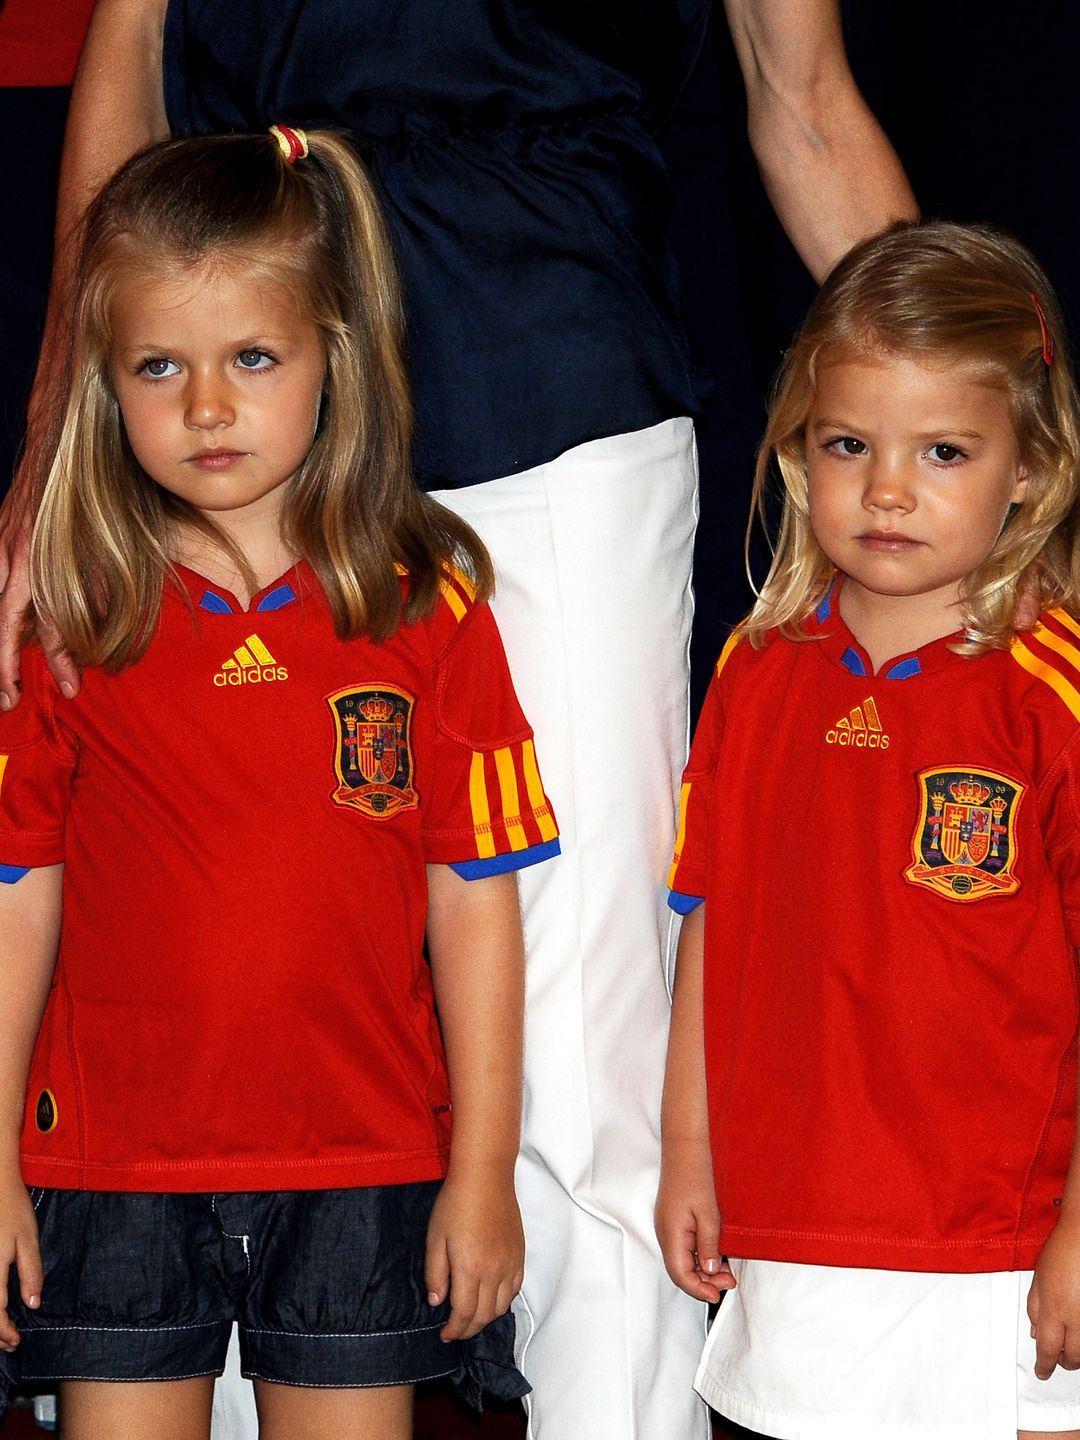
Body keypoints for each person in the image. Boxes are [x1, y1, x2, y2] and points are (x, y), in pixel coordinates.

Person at [0, 5, 916, 1436]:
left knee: (585, 1034)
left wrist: (979, 438)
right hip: (227, 372)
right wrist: (58, 446)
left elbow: (801, 100)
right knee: (209, 975)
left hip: (552, 375)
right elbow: (127, 65)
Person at [0, 126, 561, 1440]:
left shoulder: (429, 606)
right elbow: (21, 896)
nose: (207, 406)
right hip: (111, 1167)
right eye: (159, 366)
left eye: (253, 358)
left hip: (367, 1166)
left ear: (334, 358)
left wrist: (481, 1169)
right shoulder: (75, 619)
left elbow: (475, 901)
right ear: (104, 380)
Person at [656, 220, 1080, 1440]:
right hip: (791, 1240)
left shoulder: (1045, 688)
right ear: (798, 452)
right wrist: (689, 1150)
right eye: (850, 444)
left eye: (943, 450)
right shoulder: (756, 670)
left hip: (997, 1249)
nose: (887, 488)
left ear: (1028, 469)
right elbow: (711, 919)